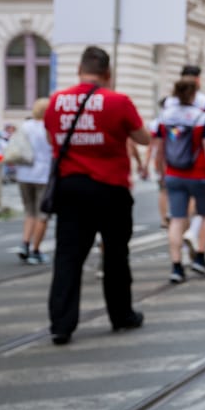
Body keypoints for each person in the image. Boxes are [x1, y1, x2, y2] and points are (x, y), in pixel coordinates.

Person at [43, 46, 151, 345]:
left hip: (71, 187)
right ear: (108, 74)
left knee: (68, 256)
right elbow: (143, 137)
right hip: (110, 188)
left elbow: (53, 137)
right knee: (115, 254)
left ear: (79, 70)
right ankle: (121, 315)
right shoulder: (118, 101)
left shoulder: (56, 102)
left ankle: (61, 325)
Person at [155, 78, 205, 283]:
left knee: (176, 219)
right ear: (195, 94)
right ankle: (200, 257)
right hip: (199, 174)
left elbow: (160, 147)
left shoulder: (165, 116)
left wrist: (161, 171)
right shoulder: (201, 118)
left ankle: (176, 266)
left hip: (173, 174)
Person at [15, 97, 54, 264]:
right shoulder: (49, 127)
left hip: (24, 174)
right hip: (43, 175)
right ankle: (35, 249)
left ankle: (25, 243)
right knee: (42, 214)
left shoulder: (25, 126)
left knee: (29, 211)